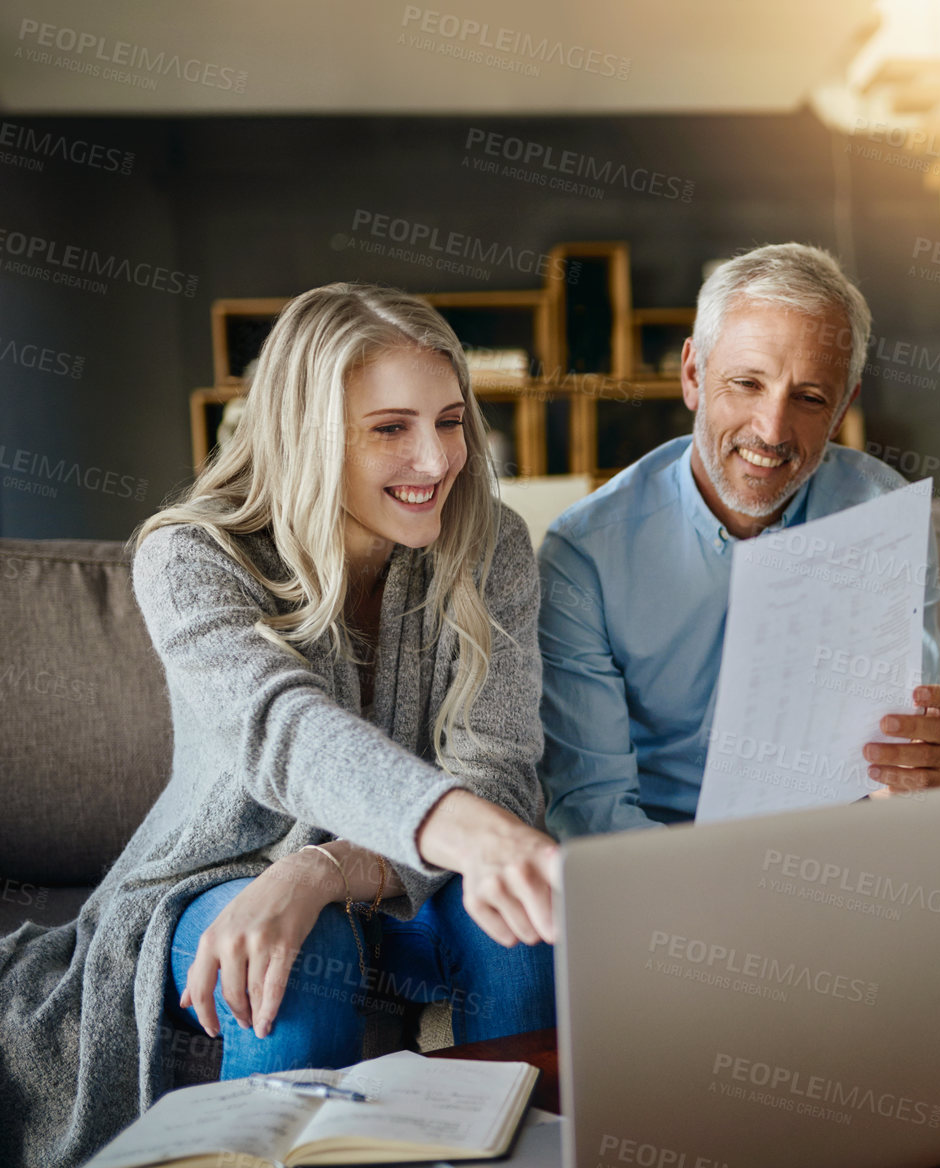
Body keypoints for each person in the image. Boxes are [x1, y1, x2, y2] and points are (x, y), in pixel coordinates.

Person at [0, 284, 561, 1168]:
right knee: (300, 956)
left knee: (518, 934)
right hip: (215, 876)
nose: (436, 459)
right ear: (307, 434)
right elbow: (283, 730)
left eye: (451, 420)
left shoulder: (490, 547)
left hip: (400, 877)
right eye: (389, 428)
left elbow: (496, 771)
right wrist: (462, 840)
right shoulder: (189, 556)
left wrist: (325, 867)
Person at [538, 243, 940, 836]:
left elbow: (894, 777)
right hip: (657, 863)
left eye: (810, 398)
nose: (771, 430)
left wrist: (912, 784)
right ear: (692, 375)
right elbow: (594, 815)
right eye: (746, 383)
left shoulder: (884, 510)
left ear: (842, 409)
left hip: (835, 852)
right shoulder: (584, 555)